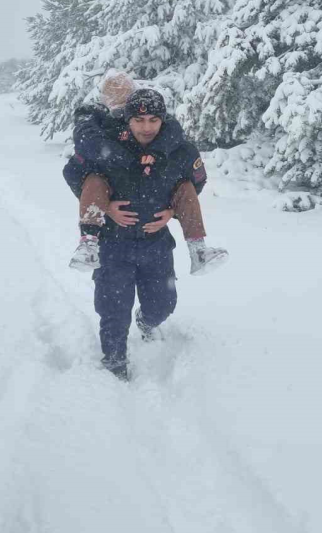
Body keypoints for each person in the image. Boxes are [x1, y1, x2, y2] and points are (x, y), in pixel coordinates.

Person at [63, 87, 226, 381]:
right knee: (113, 311)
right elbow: (72, 173)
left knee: (162, 306)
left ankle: (151, 316)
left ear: (162, 119)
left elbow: (196, 183)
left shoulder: (180, 151)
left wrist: (173, 211)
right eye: (139, 120)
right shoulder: (108, 146)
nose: (146, 127)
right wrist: (107, 207)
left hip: (156, 245)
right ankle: (114, 365)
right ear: (128, 120)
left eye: (153, 119)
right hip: (113, 245)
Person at [66, 71, 228, 277]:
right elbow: (81, 154)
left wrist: (172, 209)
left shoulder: (155, 122)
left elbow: (174, 133)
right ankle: (88, 242)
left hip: (154, 231)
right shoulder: (101, 122)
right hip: (115, 233)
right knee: (94, 181)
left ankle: (198, 249)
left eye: (124, 97)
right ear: (105, 99)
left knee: (185, 187)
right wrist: (105, 202)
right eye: (114, 97)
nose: (119, 103)